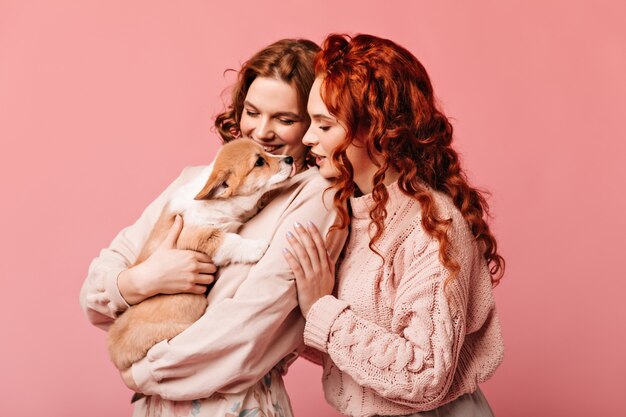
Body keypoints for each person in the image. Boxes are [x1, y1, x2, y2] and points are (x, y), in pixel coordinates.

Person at [79, 38, 348, 417]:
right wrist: (142, 280)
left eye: (285, 119)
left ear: (311, 125)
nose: (261, 132)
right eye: (252, 112)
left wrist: (140, 370)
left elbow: (245, 332)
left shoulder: (315, 199)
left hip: (235, 407)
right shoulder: (196, 182)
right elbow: (94, 294)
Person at [283, 34, 505, 417]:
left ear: (375, 129)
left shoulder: (434, 224)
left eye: (324, 126)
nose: (307, 138)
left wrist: (322, 310)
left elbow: (425, 375)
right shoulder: (349, 213)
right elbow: (355, 359)